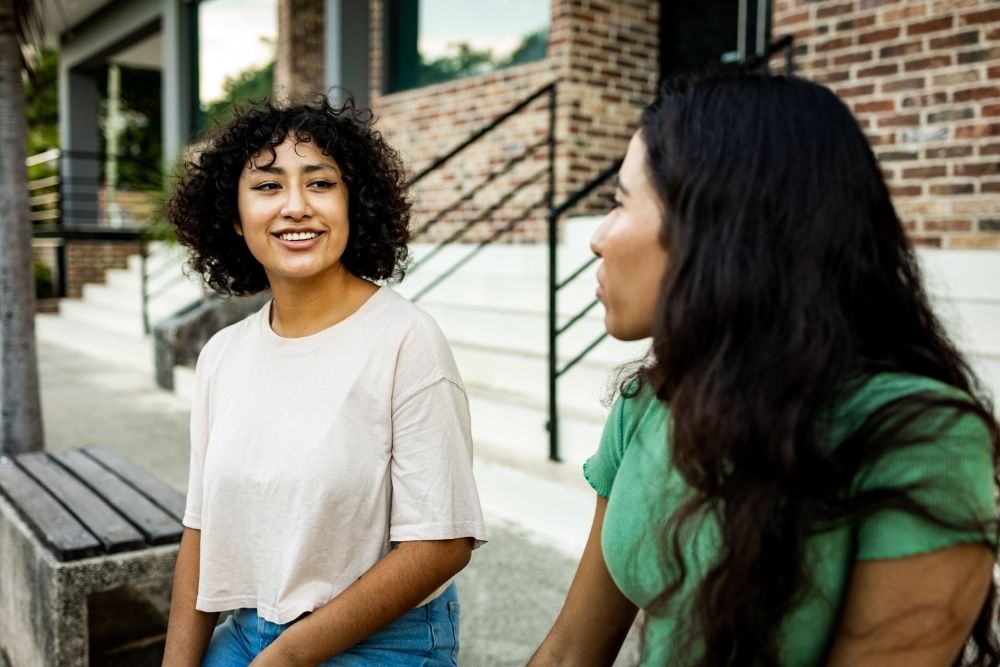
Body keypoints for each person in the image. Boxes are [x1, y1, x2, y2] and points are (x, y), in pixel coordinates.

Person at [530, 74, 1000, 667]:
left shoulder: (918, 438)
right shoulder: (650, 401)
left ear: (719, 226)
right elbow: (570, 653)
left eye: (620, 202)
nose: (597, 239)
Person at [161, 96, 487, 666]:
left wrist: (285, 658)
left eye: (319, 183)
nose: (295, 206)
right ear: (235, 218)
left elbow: (442, 542)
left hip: (385, 638)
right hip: (246, 631)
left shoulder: (406, 341)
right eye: (267, 186)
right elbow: (202, 527)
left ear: (352, 204)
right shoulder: (221, 355)